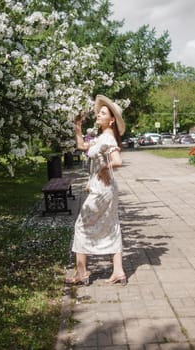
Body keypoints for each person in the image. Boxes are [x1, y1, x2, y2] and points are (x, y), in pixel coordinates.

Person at [66, 95, 126, 286]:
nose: (98, 115)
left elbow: (117, 161)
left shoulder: (108, 138)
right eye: (98, 112)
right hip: (106, 188)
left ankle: (81, 273)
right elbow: (82, 146)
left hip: (102, 189)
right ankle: (118, 272)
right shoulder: (101, 138)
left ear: (112, 120)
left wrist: (101, 169)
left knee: (81, 226)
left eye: (103, 113)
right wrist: (78, 126)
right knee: (112, 226)